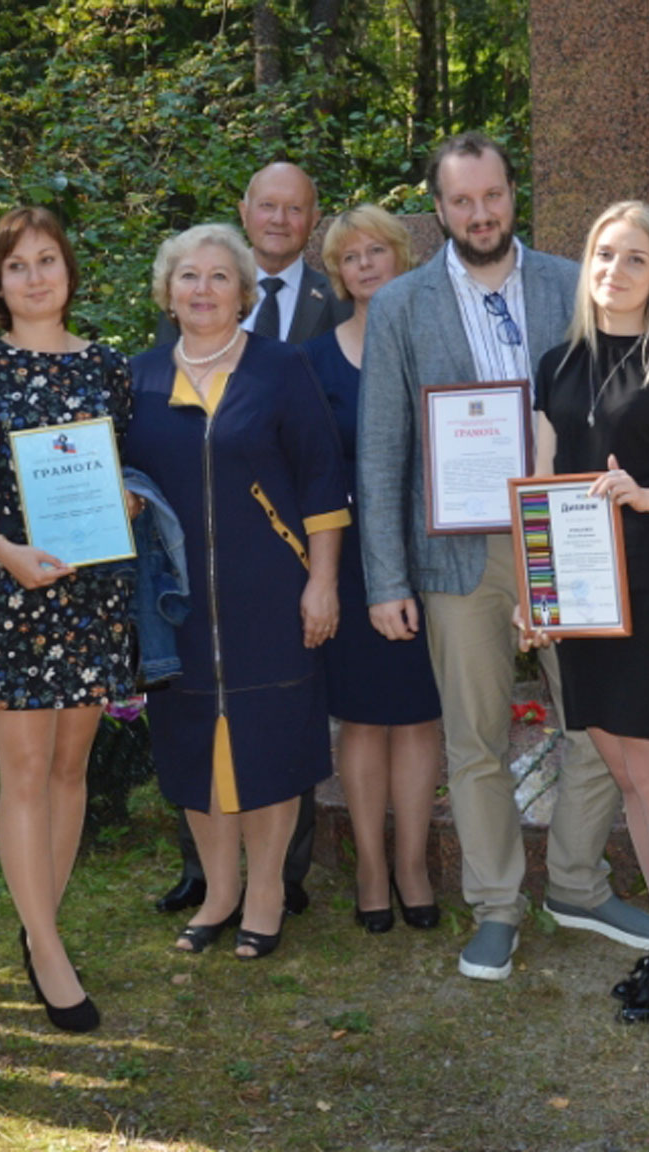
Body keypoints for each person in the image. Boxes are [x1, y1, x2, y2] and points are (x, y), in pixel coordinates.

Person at [356, 131, 649, 983]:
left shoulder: (573, 283)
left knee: (600, 723)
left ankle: (576, 882)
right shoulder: (402, 305)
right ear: (439, 209)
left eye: (491, 196)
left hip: (568, 537)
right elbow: (381, 449)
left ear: (512, 194)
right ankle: (495, 904)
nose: (479, 213)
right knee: (475, 740)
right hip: (457, 555)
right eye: (461, 201)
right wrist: (385, 578)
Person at [518, 201, 649, 1021]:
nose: (615, 270)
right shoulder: (557, 364)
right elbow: (542, 486)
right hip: (579, 601)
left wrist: (645, 497)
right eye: (604, 253)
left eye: (635, 258)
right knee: (624, 772)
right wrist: (536, 597)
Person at [0, 206, 134, 1033]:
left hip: (89, 597)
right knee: (24, 772)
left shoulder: (108, 366)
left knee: (68, 770)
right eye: (17, 265)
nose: (35, 277)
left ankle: (37, 926)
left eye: (47, 259)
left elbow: (128, 470)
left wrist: (125, 501)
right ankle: (49, 953)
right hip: (11, 592)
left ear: (69, 270)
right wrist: (3, 550)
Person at [127, 223, 349, 960]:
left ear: (244, 293)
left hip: (271, 593)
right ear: (167, 292)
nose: (203, 289)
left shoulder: (281, 369)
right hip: (177, 603)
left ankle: (267, 894)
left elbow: (322, 480)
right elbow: (115, 479)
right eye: (189, 276)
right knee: (193, 744)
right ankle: (219, 892)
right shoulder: (138, 380)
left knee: (270, 742)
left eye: (220, 277)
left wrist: (322, 582)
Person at [302, 205, 445, 933]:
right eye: (349, 257)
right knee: (361, 717)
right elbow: (309, 470)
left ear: (401, 257)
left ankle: (413, 864)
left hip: (432, 552)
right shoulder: (313, 361)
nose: (364, 265)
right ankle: (368, 866)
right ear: (339, 274)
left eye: (375, 251)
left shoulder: (437, 345)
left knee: (420, 713)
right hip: (350, 557)